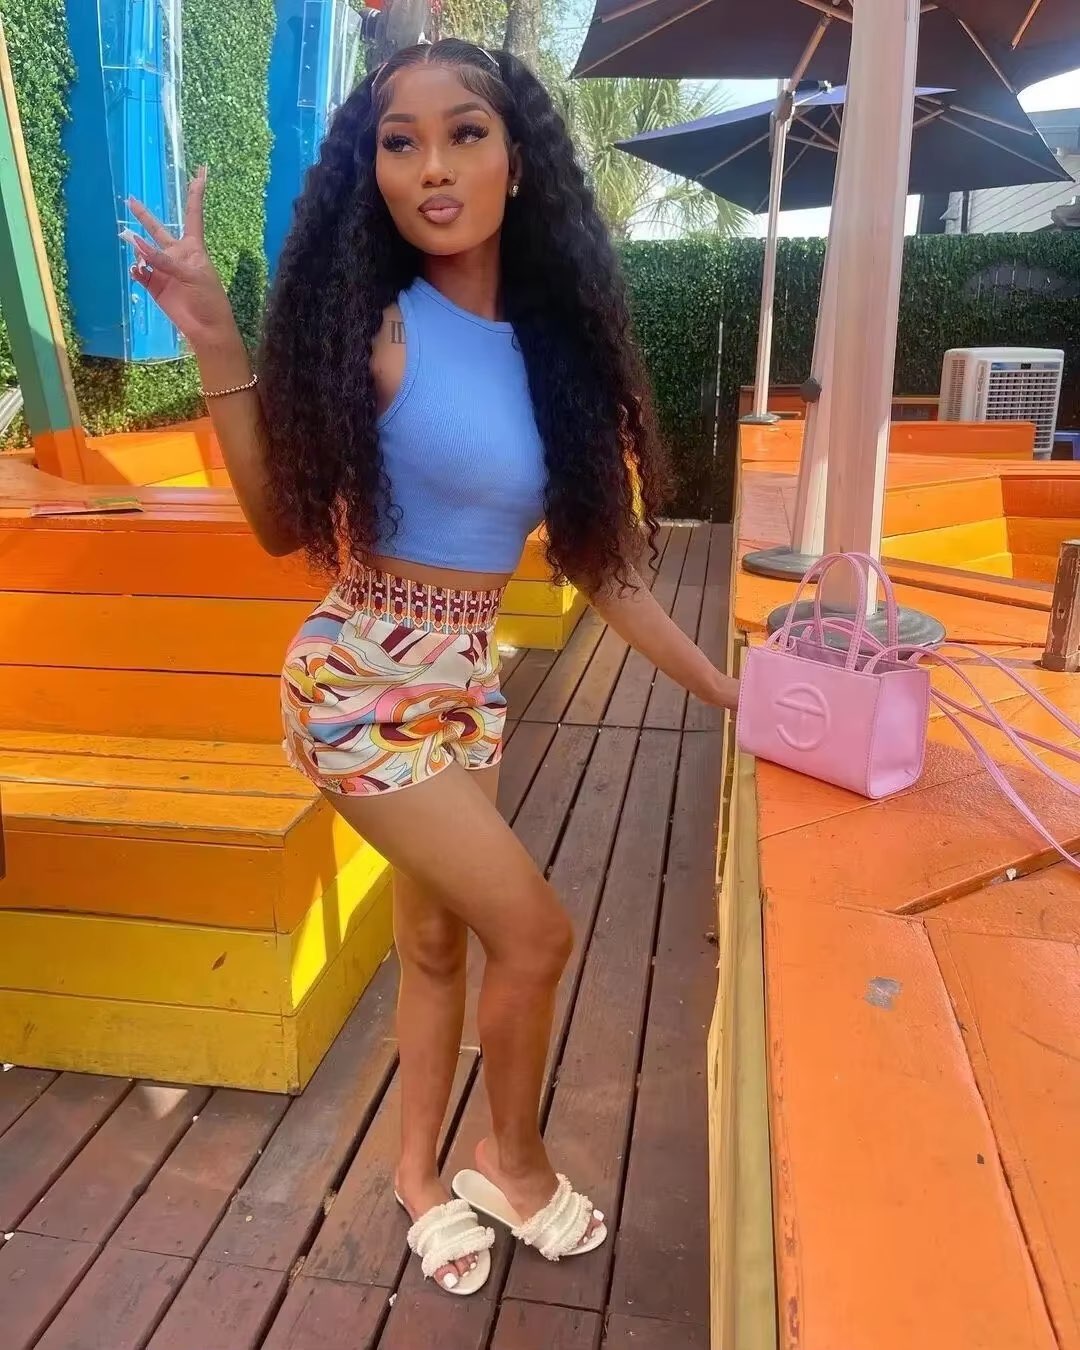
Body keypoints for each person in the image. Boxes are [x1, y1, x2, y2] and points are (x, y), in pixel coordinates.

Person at [126, 38, 740, 1297]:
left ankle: (416, 1176)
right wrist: (217, 340)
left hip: (466, 680)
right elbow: (281, 527)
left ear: (520, 160)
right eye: (399, 144)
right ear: (375, 175)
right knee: (536, 934)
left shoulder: (553, 354)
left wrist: (736, 693)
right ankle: (512, 1166)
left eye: (465, 133)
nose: (434, 167)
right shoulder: (381, 328)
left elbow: (605, 570)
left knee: (440, 943)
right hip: (357, 683)